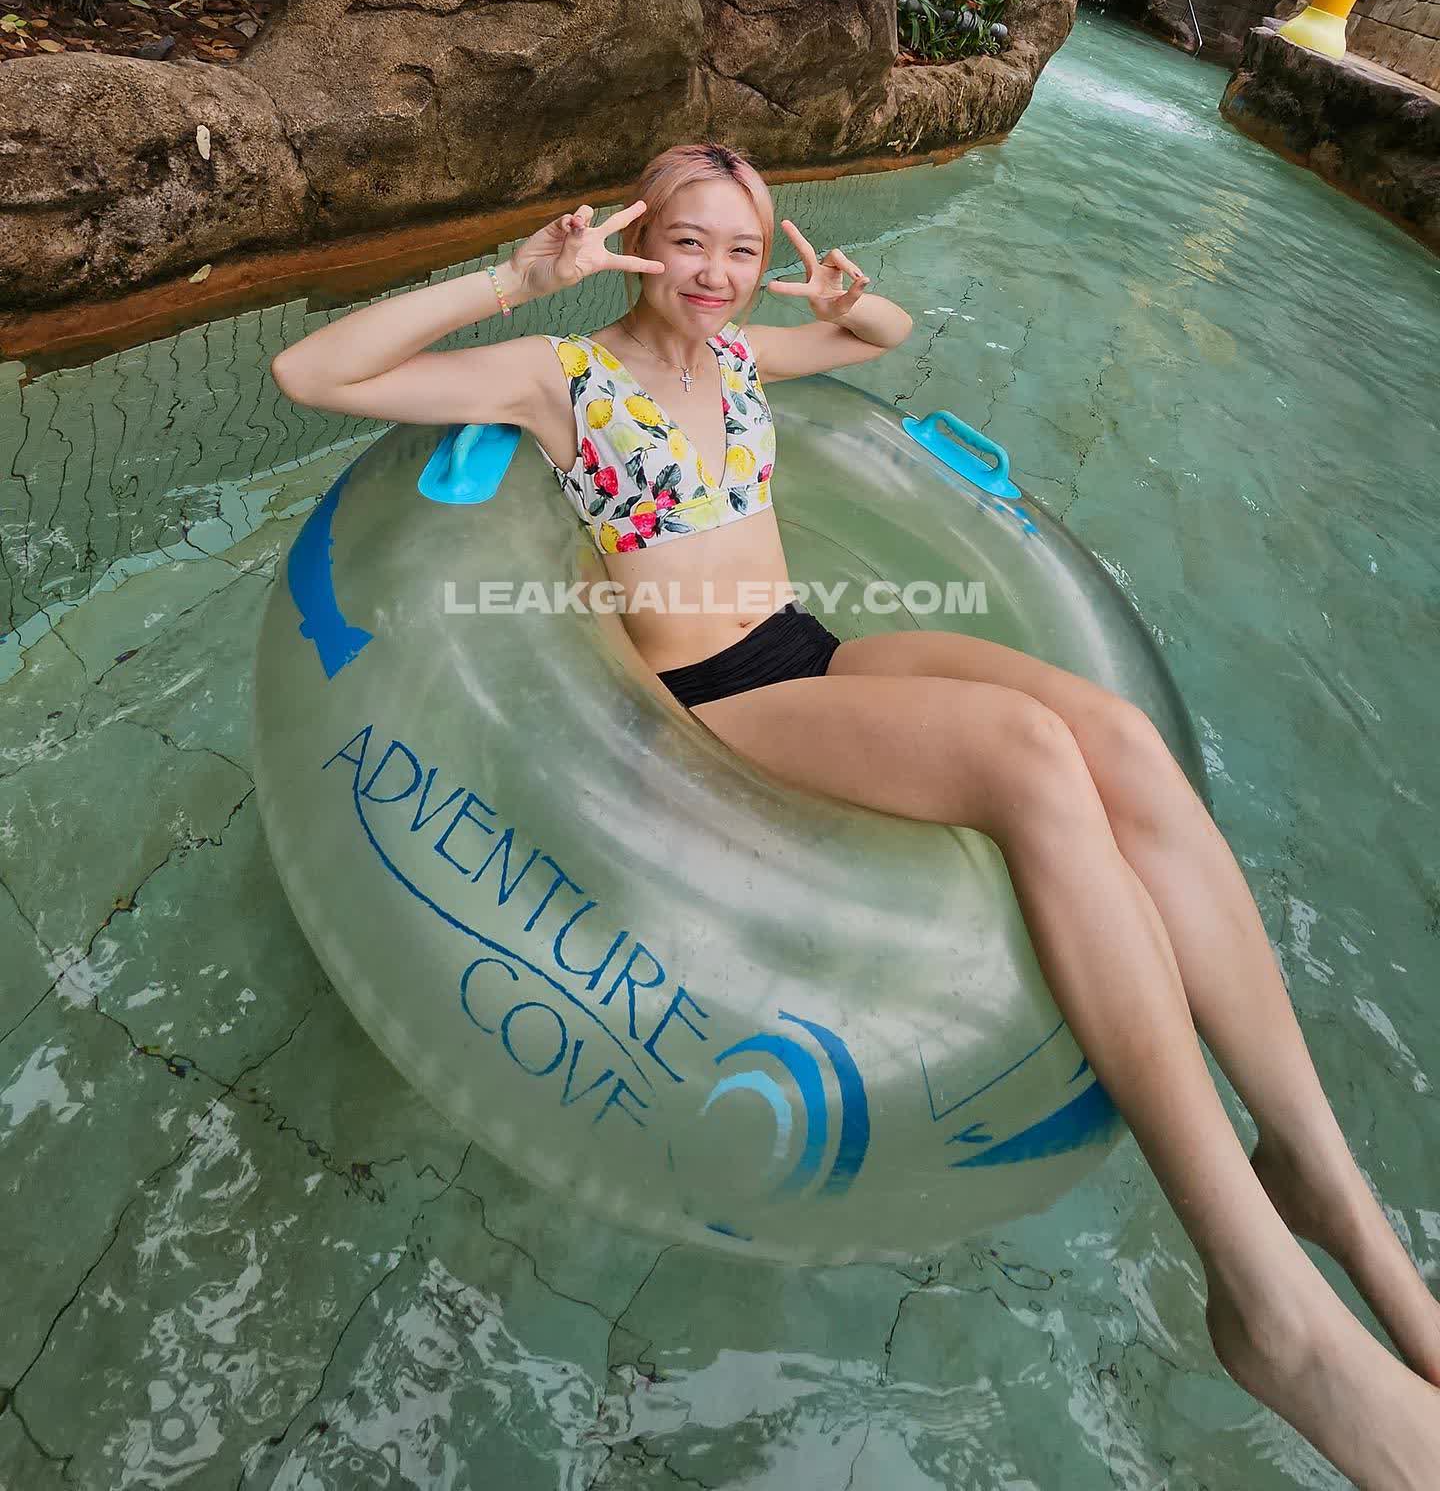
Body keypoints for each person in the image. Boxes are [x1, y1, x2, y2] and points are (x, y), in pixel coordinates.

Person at [270, 141, 1439, 1487]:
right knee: (1028, 758)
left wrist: (842, 297)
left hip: (811, 649)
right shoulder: (563, 377)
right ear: (639, 239)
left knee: (1116, 737)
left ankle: (1318, 1176)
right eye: (688, 240)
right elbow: (313, 373)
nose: (714, 274)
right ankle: (1269, 1304)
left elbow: (884, 330)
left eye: (741, 250)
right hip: (716, 700)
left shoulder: (742, 360)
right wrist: (515, 281)